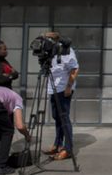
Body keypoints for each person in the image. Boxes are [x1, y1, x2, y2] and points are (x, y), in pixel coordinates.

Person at [41, 31, 79, 161]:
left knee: (64, 118)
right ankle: (57, 145)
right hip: (53, 88)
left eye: (47, 39)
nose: (45, 42)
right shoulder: (50, 51)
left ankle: (68, 149)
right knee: (56, 117)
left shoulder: (66, 51)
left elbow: (75, 68)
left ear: (54, 40)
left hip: (63, 89)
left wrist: (69, 87)